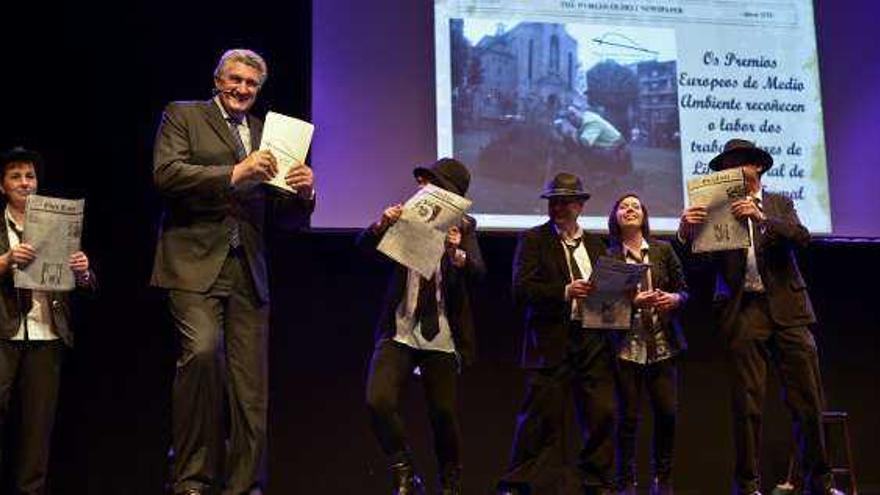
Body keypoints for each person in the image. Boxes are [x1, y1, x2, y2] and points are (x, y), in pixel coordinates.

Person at [151, 49, 315, 495]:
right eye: (235, 80)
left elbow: (285, 220)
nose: (243, 89)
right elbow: (166, 175)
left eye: (251, 84)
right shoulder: (183, 116)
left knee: (250, 388)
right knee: (202, 355)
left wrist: (303, 192)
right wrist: (235, 172)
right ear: (218, 79)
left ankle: (244, 485)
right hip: (192, 264)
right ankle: (191, 478)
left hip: (248, 270)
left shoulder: (268, 134)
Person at [676, 139, 841, 495]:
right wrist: (687, 234)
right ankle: (748, 486)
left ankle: (821, 482)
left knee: (808, 400)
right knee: (746, 403)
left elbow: (801, 238)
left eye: (739, 164)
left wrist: (761, 217)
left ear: (757, 168)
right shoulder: (714, 209)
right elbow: (699, 267)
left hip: (789, 310)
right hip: (744, 311)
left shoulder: (780, 202)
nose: (732, 172)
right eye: (726, 167)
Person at [358, 158, 485, 495]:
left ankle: (451, 481)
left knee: (442, 413)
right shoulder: (407, 216)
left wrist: (457, 253)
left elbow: (479, 274)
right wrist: (381, 225)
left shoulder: (466, 228)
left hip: (440, 334)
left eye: (434, 184)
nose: (424, 188)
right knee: (378, 400)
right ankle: (404, 467)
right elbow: (362, 251)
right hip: (400, 329)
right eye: (424, 182)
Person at [498, 172, 616, 495]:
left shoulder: (595, 244)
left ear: (580, 206)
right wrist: (565, 291)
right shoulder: (533, 240)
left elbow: (608, 291)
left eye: (565, 202)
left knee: (602, 412)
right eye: (554, 202)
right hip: (550, 340)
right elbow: (521, 291)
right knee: (540, 417)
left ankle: (597, 480)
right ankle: (517, 483)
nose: (558, 208)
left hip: (592, 340)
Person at [0, 147, 95, 494]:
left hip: (47, 335)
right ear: (2, 186)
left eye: (30, 176)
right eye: (15, 176)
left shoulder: (59, 225)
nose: (25, 183)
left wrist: (83, 273)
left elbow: (83, 283)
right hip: (4, 334)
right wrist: (7, 260)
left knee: (37, 429)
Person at [606, 193, 688, 495]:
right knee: (628, 418)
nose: (630, 210)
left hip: (662, 346)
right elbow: (603, 307)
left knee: (667, 413)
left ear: (644, 215)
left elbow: (684, 290)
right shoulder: (610, 257)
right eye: (623, 207)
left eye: (635, 206)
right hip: (626, 349)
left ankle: (662, 478)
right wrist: (632, 303)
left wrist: (674, 299)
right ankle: (626, 481)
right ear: (615, 217)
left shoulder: (662, 250)